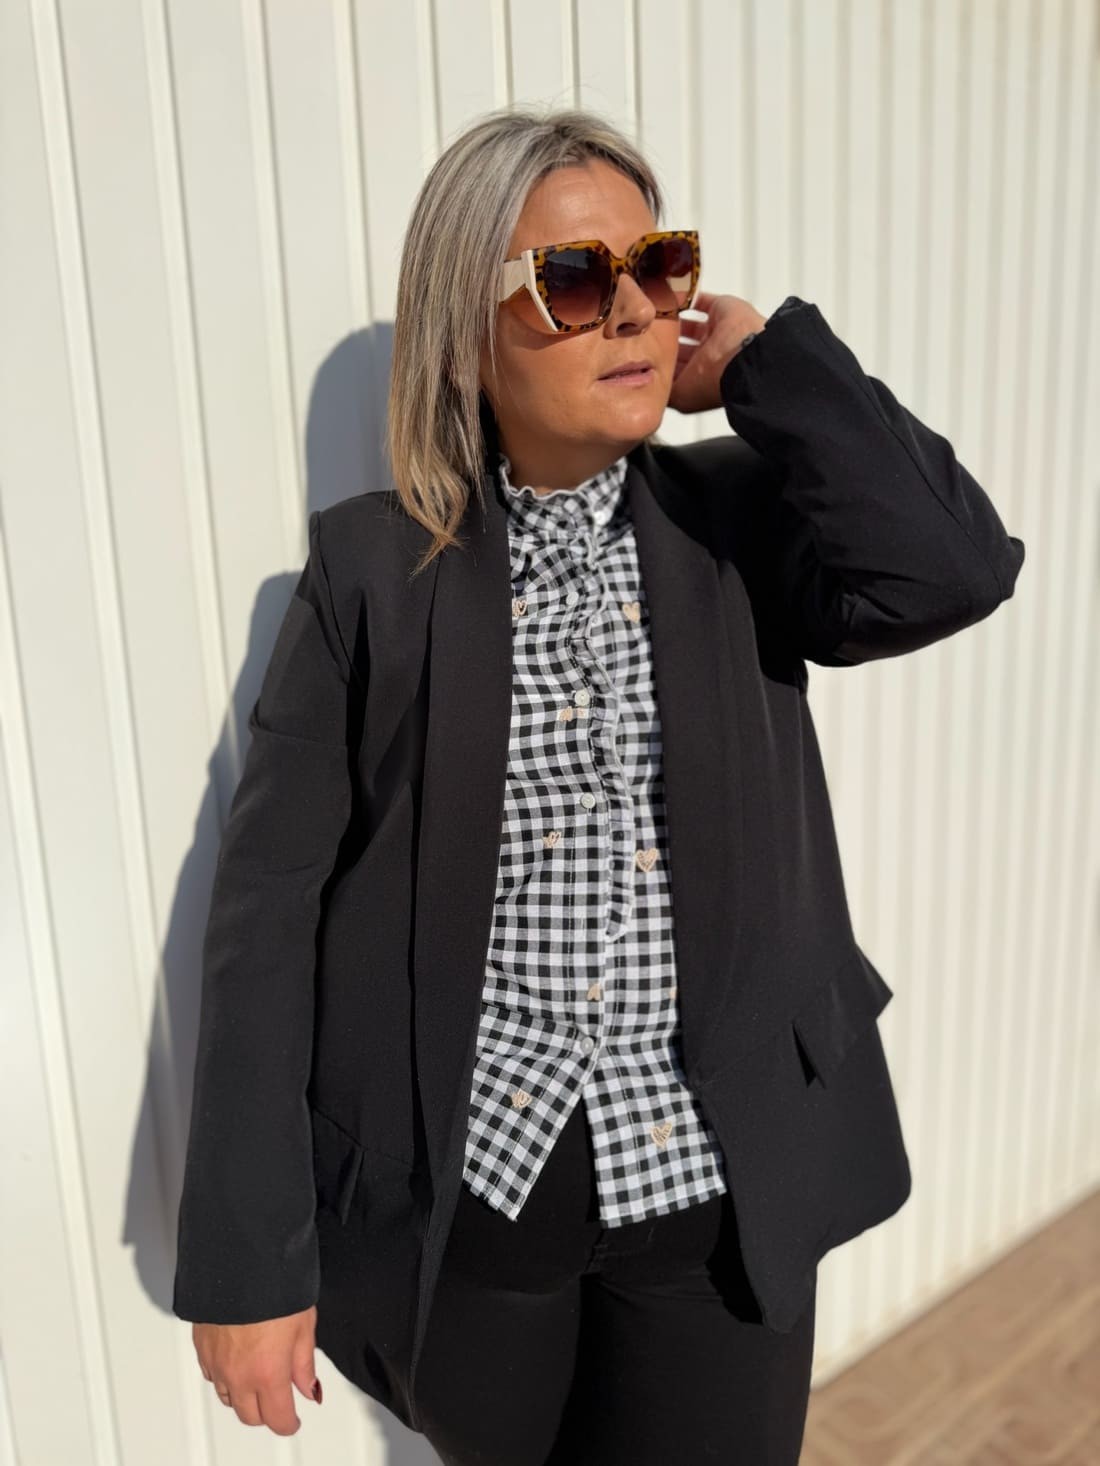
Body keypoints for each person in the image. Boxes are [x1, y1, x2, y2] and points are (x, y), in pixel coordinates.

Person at [172, 104, 1026, 1464]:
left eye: (659, 266)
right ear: (467, 334)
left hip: (714, 1192)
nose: (632, 310)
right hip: (482, 1211)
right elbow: (266, 910)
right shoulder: (373, 577)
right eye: (575, 279)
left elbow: (954, 568)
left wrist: (765, 365)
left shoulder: (739, 523)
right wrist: (246, 1257)